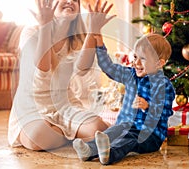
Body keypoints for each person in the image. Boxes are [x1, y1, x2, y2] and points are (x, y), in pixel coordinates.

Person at [72, 4, 176, 164]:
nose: (136, 62)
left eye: (143, 58)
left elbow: (166, 112)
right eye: (135, 57)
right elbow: (109, 68)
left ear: (158, 63)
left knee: (131, 136)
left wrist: (148, 106)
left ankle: (110, 155)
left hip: (150, 135)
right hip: (126, 125)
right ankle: (89, 150)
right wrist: (99, 42)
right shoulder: (131, 75)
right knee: (114, 130)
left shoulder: (164, 85)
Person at [7, 0, 113, 151]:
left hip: (65, 103)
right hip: (33, 105)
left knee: (98, 128)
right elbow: (42, 70)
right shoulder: (30, 32)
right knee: (37, 137)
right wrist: (45, 27)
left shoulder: (75, 38)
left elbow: (82, 69)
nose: (70, 1)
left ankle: (63, 133)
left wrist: (92, 31)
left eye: (75, 0)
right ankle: (72, 135)